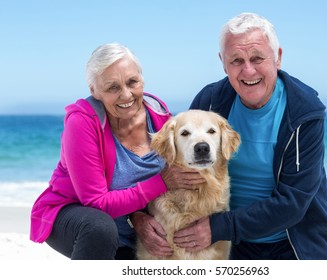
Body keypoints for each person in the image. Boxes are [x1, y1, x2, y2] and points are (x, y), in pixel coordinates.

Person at [171, 12, 327, 260]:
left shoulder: (305, 113)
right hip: (228, 243)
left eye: (257, 58)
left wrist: (218, 227)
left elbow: (293, 203)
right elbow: (178, 165)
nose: (248, 71)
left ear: (278, 57)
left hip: (294, 242)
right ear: (223, 62)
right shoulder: (208, 103)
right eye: (236, 60)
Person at [29, 42, 204, 260]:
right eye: (113, 87)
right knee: (100, 228)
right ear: (94, 91)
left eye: (133, 82)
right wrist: (162, 182)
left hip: (129, 228)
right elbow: (96, 203)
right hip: (74, 215)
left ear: (142, 78)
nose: (126, 95)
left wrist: (138, 216)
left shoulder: (159, 115)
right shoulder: (82, 123)